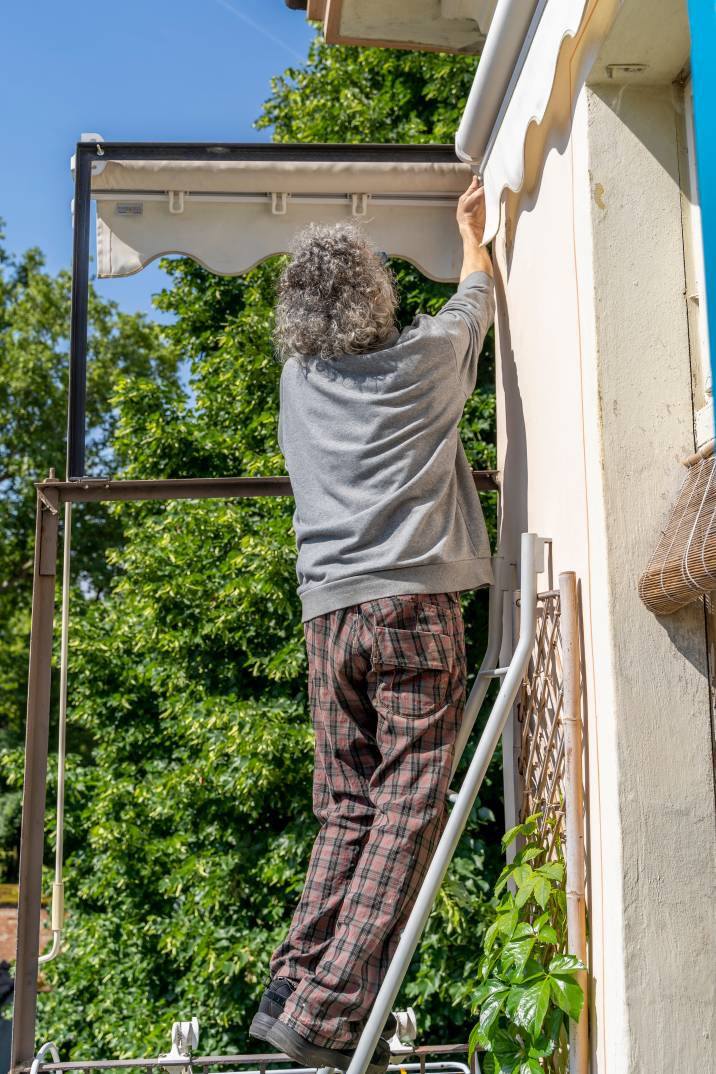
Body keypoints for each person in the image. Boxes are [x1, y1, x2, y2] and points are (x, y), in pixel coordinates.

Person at [249, 178, 495, 1074]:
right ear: (378, 297)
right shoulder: (426, 362)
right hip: (411, 607)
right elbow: (477, 299)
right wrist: (471, 232)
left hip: (327, 616)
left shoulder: (296, 379)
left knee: (345, 808)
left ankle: (291, 982)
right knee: (407, 803)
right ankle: (329, 1008)